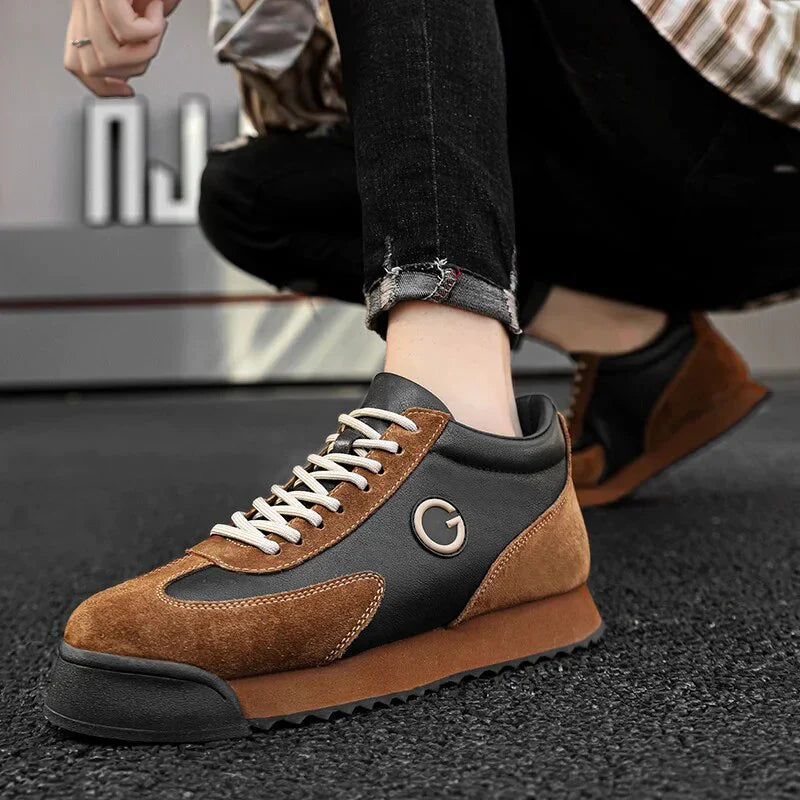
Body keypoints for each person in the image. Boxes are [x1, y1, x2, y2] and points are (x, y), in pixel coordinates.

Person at [46, 0, 798, 742]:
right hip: (574, 187)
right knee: (247, 193)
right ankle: (643, 352)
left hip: (744, 144)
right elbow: (356, 117)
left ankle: (461, 430)